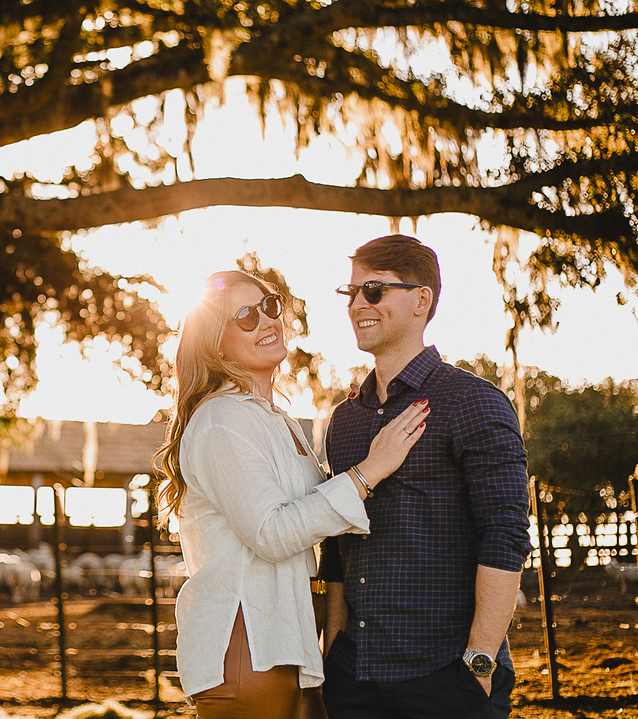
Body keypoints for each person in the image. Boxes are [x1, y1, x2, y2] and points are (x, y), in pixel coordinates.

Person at [154, 269, 431, 719]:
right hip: (248, 639)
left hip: (285, 635)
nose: (266, 321)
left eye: (269, 306)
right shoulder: (224, 420)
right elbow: (271, 531)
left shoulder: (275, 418)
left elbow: (311, 507)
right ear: (214, 343)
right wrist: (369, 471)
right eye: (244, 316)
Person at [319, 235, 532, 719]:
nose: (357, 304)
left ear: (422, 299)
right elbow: (337, 545)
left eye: (373, 291)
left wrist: (478, 665)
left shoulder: (473, 402)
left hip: (446, 677)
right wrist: (334, 647)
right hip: (354, 676)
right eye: (350, 293)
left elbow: (505, 537)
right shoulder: (344, 420)